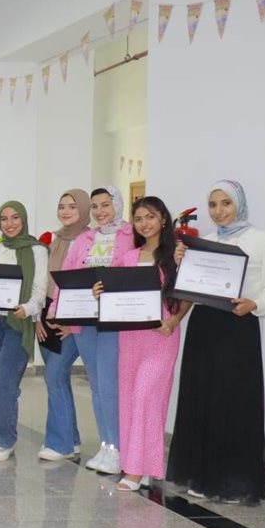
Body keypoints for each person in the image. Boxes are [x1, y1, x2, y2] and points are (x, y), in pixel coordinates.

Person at [167, 180, 265, 504]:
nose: (219, 211)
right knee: (202, 398)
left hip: (238, 327)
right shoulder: (205, 243)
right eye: (213, 204)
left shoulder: (261, 240)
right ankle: (201, 477)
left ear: (239, 204)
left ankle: (235, 483)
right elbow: (187, 289)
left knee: (235, 401)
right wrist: (181, 263)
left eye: (226, 203)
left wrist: (255, 303)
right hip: (204, 326)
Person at [99, 197, 188, 491]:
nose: (144, 223)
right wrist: (100, 291)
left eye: (150, 217)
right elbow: (114, 292)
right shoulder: (127, 257)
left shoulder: (176, 254)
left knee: (146, 398)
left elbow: (187, 294)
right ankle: (141, 464)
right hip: (130, 337)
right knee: (130, 399)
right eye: (138, 219)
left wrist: (173, 321)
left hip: (161, 336)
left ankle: (136, 471)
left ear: (163, 219)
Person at [51, 185, 134, 474]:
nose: (100, 211)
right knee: (97, 385)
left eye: (105, 205)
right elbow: (67, 276)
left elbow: (134, 274)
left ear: (118, 205)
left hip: (114, 321)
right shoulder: (84, 239)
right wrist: (58, 310)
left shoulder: (131, 236)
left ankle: (119, 448)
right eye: (95, 206)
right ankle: (107, 444)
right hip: (85, 321)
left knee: (110, 385)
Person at [0, 202, 48, 462]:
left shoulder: (37, 250)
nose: (10, 223)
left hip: (18, 322)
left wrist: (28, 309)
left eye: (15, 217)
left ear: (23, 219)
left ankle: (5, 439)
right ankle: (0, 432)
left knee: (6, 380)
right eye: (4, 219)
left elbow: (39, 289)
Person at [35, 189, 91, 460]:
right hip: (47, 314)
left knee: (54, 375)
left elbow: (90, 283)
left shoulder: (91, 241)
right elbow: (42, 281)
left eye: (72, 206)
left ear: (84, 209)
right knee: (59, 378)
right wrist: (37, 317)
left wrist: (74, 322)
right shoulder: (54, 240)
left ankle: (60, 444)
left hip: (72, 316)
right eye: (62, 206)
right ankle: (72, 438)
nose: (65, 211)